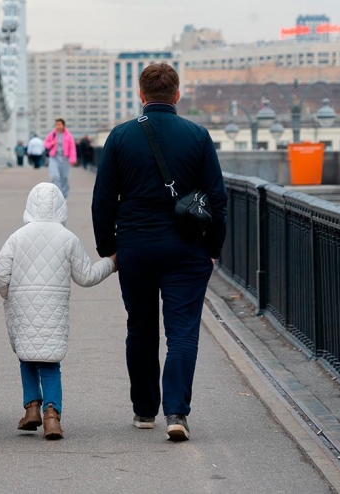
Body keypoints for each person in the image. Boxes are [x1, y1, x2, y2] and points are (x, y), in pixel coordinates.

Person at [91, 63, 227, 441]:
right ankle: (177, 413)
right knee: (183, 332)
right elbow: (218, 199)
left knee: (141, 328)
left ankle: (144, 411)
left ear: (141, 94)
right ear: (177, 95)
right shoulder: (198, 136)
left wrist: (110, 250)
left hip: (135, 247)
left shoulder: (119, 138)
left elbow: (102, 201)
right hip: (187, 249)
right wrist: (212, 249)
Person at [0, 182, 117, 440]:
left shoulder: (17, 237)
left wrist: (9, 295)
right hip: (54, 308)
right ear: (61, 208)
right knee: (50, 361)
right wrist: (111, 263)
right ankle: (52, 416)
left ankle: (31, 409)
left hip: (22, 305)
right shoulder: (68, 238)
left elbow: (0, 272)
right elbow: (86, 277)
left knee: (27, 357)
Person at [44, 118, 77, 199]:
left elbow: (72, 148)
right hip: (54, 157)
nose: (58, 126)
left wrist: (73, 159)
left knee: (64, 177)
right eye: (56, 125)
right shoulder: (52, 134)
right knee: (55, 176)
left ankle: (64, 195)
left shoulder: (68, 136)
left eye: (59, 124)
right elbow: (45, 144)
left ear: (63, 125)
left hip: (65, 158)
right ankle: (56, 195)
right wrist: (51, 144)